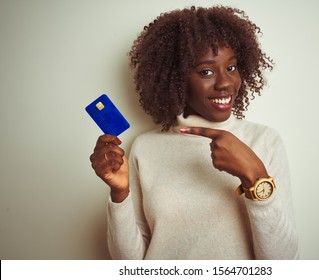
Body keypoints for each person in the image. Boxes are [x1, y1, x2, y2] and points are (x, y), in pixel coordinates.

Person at [90, 6, 299, 260]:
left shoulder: (265, 141)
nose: (225, 83)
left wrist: (255, 176)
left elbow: (283, 264)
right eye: (206, 72)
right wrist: (119, 194)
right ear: (176, 80)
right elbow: (130, 264)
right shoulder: (145, 147)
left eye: (231, 68)